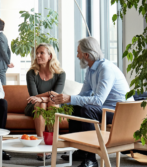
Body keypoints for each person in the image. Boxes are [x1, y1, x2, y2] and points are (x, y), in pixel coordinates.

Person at [51, 37, 133, 167]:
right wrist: (65, 100)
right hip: (107, 109)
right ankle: (82, 151)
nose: (77, 56)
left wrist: (70, 98)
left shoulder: (106, 69)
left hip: (121, 112)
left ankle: (91, 159)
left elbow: (98, 100)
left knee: (87, 110)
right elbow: (83, 95)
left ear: (86, 55)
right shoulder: (90, 70)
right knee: (75, 107)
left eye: (78, 52)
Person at [24, 43, 65, 162]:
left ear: (50, 56)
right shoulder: (31, 73)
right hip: (34, 106)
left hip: (53, 103)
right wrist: (48, 94)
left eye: (41, 53)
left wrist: (43, 98)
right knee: (40, 104)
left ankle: (51, 143)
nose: (38, 55)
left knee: (52, 103)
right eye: (37, 53)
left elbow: (56, 96)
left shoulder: (60, 74)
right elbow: (34, 97)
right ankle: (41, 143)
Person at [0, 18, 14, 85]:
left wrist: (8, 62)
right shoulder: (3, 36)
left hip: (0, 64)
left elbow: (4, 51)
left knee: (2, 85)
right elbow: (7, 50)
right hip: (1, 63)